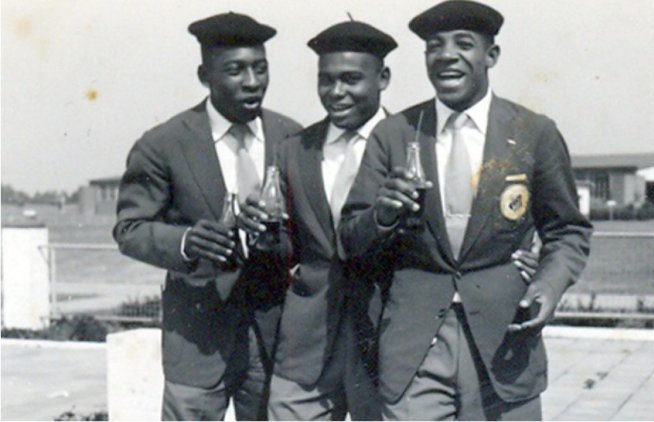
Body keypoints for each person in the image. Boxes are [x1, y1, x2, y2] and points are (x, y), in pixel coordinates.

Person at [339, 1, 592, 420]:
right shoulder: (394, 133)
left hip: (505, 339)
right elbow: (350, 237)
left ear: (491, 55)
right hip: (414, 345)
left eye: (463, 44)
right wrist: (381, 215)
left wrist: (548, 285)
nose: (446, 55)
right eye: (434, 46)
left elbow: (567, 230)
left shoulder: (533, 132)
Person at [113, 12, 301, 421]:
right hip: (196, 339)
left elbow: (311, 230)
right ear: (204, 75)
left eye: (260, 68)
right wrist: (186, 242)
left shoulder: (293, 137)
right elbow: (129, 229)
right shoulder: (163, 144)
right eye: (235, 70)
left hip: (273, 336)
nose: (252, 82)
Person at [268, 21, 396, 421]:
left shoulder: (413, 144)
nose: (336, 92)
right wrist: (259, 232)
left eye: (351, 79)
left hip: (387, 339)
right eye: (326, 80)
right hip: (307, 341)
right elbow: (287, 244)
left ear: (383, 78)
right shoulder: (293, 150)